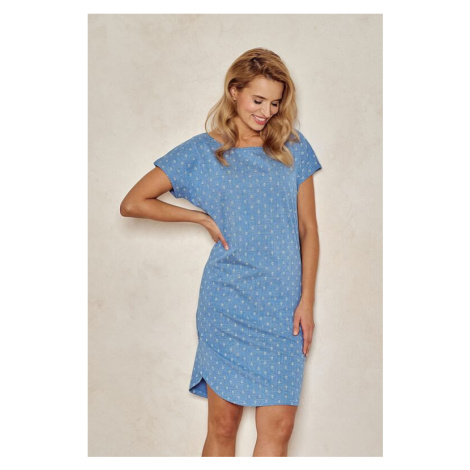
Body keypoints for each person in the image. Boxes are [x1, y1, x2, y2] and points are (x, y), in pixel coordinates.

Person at [120, 48, 322, 457]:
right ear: (234, 91)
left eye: (275, 102)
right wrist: (199, 218)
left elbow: (308, 229)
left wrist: (306, 301)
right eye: (258, 100)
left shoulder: (293, 148)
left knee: (280, 428)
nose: (266, 112)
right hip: (228, 303)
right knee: (223, 425)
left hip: (283, 307)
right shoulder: (201, 152)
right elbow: (133, 202)